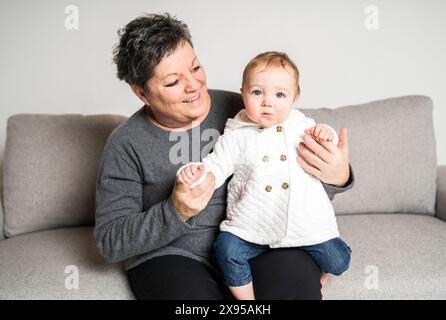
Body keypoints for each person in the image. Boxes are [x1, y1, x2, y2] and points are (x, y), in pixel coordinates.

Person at [94, 13, 354, 300]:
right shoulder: (126, 144)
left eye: (195, 68)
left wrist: (338, 176)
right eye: (172, 82)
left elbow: (296, 185)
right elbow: (110, 242)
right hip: (173, 256)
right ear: (142, 93)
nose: (193, 85)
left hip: (260, 238)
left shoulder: (246, 108)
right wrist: (175, 210)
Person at [176, 52, 352, 300]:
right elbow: (217, 164)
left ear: (295, 97)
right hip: (251, 222)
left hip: (303, 222)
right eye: (257, 93)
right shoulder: (236, 135)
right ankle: (247, 300)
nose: (267, 102)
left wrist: (327, 134)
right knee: (226, 250)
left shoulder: (302, 127)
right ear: (243, 93)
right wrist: (198, 173)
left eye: (279, 94)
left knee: (339, 260)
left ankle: (320, 273)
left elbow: (328, 147)